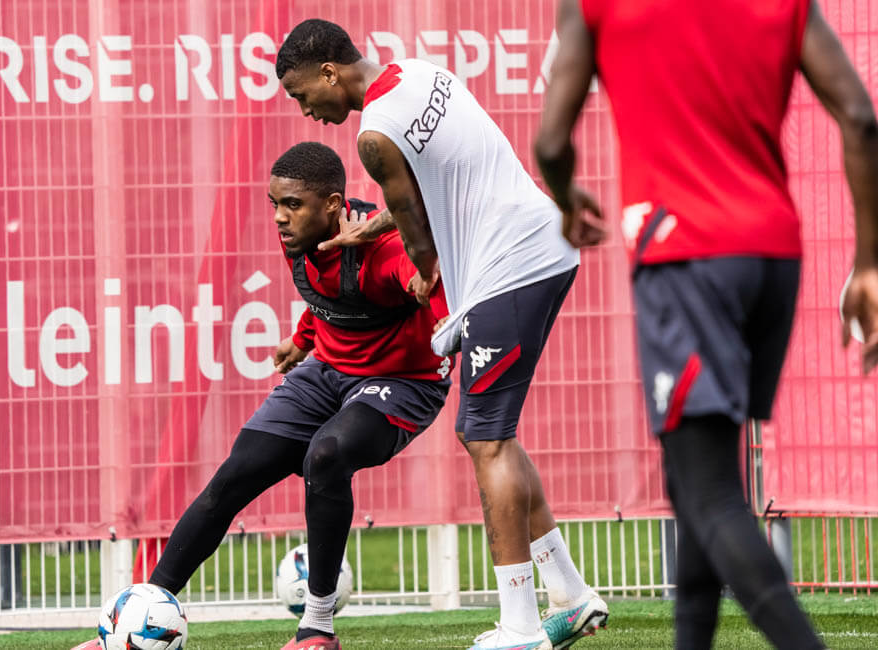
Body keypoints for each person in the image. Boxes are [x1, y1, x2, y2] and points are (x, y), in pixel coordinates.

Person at [534, 0, 878, 647]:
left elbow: (551, 142)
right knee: (693, 478)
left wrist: (566, 193)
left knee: (709, 487)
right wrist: (868, 264)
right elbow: (860, 117)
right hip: (773, 256)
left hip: (685, 256)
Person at [276, 20, 608, 650]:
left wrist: (427, 273)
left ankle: (521, 627)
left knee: (484, 438)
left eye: (301, 94)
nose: (306, 111)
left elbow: (419, 234)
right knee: (495, 434)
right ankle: (569, 594)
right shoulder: (420, 73)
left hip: (510, 267)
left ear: (328, 72)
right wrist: (371, 232)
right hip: (543, 245)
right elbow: (430, 193)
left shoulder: (373, 136)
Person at [146, 142, 452, 650]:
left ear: (332, 205)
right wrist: (302, 338)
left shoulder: (381, 248)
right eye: (275, 204)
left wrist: (437, 307)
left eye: (292, 205)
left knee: (326, 456)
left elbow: (421, 277)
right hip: (327, 370)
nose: (279, 217)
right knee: (234, 474)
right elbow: (331, 294)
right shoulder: (301, 238)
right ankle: (138, 612)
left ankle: (317, 627)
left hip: (405, 381)